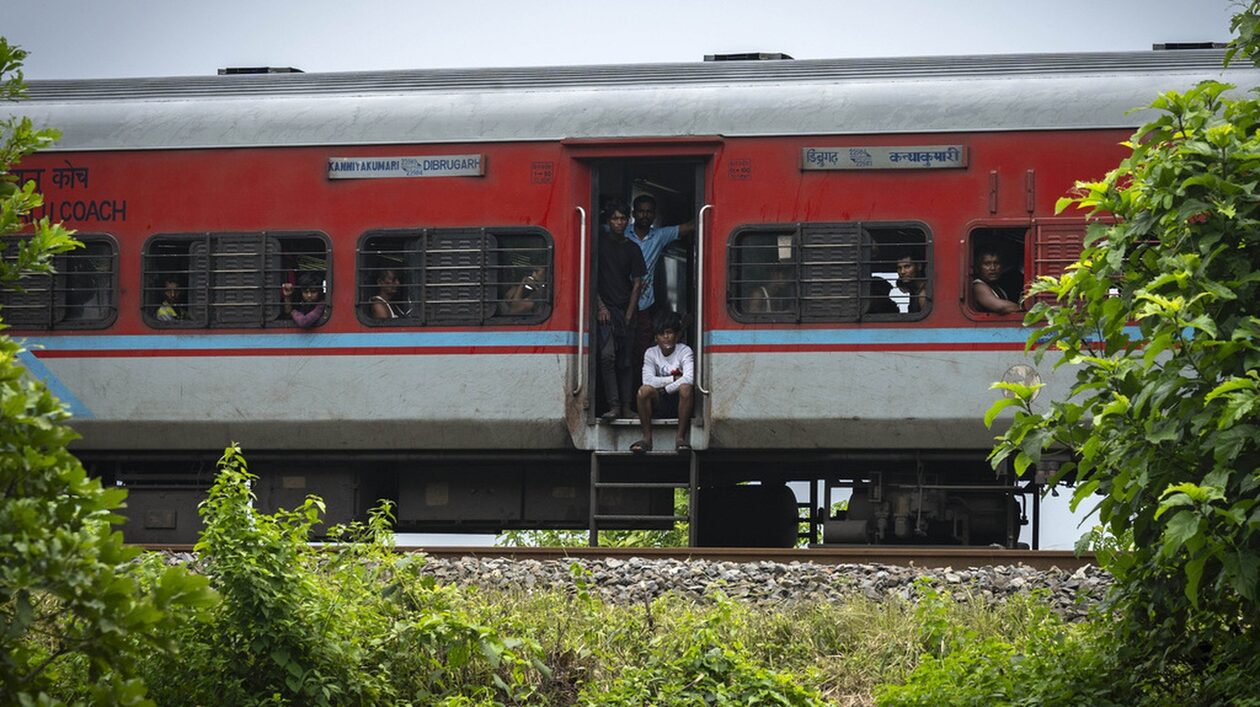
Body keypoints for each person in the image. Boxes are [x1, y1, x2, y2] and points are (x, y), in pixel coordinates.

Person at [627, 194, 696, 387]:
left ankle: (640, 392)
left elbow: (688, 227)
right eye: (641, 211)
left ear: (654, 215)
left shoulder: (659, 235)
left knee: (642, 352)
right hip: (621, 302)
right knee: (623, 354)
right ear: (633, 213)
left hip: (644, 305)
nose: (645, 215)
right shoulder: (622, 232)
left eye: (649, 212)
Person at [597, 203, 646, 419]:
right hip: (606, 310)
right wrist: (600, 307)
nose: (619, 222)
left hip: (627, 310)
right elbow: (591, 279)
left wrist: (629, 314)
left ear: (628, 220)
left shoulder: (633, 248)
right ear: (609, 221)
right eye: (615, 218)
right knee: (607, 356)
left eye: (623, 218)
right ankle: (614, 405)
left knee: (626, 361)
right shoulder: (599, 246)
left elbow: (638, 283)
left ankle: (626, 407)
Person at [633, 311, 695, 453]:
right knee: (643, 391)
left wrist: (666, 389)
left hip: (679, 401)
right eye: (661, 334)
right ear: (656, 338)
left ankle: (680, 438)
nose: (666, 337)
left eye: (669, 333)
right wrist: (673, 379)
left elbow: (689, 379)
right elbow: (647, 380)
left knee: (686, 388)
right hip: (659, 401)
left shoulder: (685, 351)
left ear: (677, 335)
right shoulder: (651, 353)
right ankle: (647, 439)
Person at [971, 249, 1022, 314]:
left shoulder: (997, 287)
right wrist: (1025, 309)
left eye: (996, 263)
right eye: (987, 264)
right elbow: (1001, 307)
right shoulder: (978, 286)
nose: (993, 268)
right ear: (978, 267)